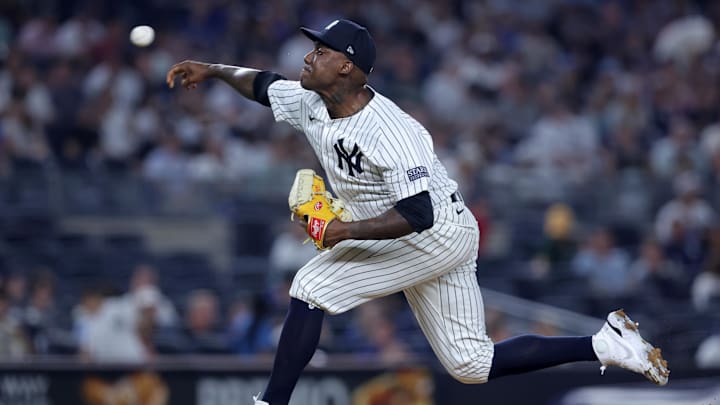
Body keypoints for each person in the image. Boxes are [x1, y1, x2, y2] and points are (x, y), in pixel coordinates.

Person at [166, 19, 669, 405]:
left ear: (347, 65)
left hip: (433, 234)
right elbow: (261, 84)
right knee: (472, 363)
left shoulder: (392, 130)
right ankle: (604, 343)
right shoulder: (311, 101)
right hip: (414, 233)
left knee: (311, 287)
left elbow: (419, 213)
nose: (308, 55)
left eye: (320, 50)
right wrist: (212, 70)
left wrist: (343, 230)